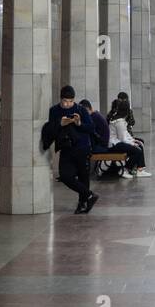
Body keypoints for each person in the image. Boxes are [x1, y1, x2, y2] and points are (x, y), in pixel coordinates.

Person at [45, 86, 98, 214]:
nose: (67, 104)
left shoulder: (80, 109)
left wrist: (79, 124)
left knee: (83, 176)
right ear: (60, 99)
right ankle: (89, 195)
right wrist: (60, 124)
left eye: (70, 101)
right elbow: (50, 130)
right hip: (66, 148)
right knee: (65, 176)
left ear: (74, 100)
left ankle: (83, 203)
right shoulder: (54, 111)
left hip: (82, 147)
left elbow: (91, 128)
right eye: (65, 101)